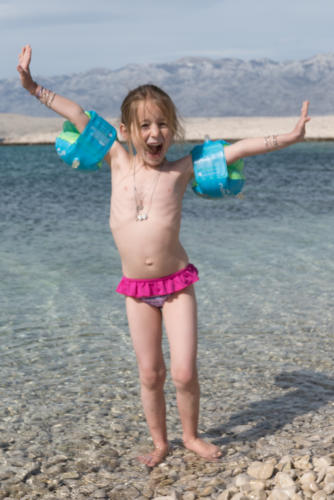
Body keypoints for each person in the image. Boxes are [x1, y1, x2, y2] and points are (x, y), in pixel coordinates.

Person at [17, 44, 311, 467]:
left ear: (172, 129)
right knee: (150, 374)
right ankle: (160, 443)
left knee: (184, 372)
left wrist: (289, 136)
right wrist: (31, 86)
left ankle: (190, 436)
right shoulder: (116, 158)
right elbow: (76, 113)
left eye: (162, 125)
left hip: (176, 286)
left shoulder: (183, 169)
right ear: (126, 130)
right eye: (145, 125)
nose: (154, 133)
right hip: (136, 290)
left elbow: (241, 149)